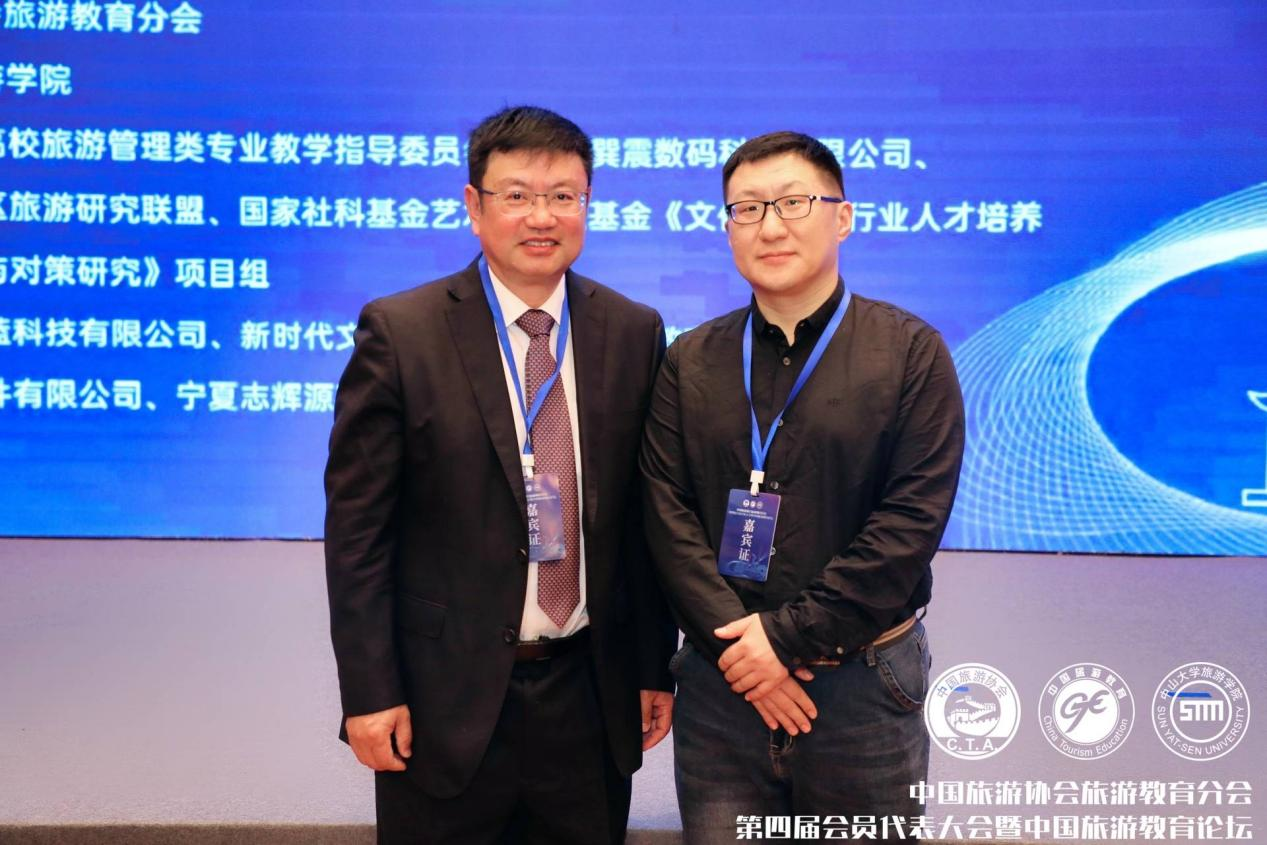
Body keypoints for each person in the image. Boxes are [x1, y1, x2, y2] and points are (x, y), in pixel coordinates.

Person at [324, 105, 676, 845]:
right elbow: (358, 534)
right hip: (442, 698)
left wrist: (652, 666)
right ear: (474, 205)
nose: (541, 217)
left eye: (562, 196)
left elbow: (642, 521)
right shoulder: (402, 331)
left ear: (586, 204)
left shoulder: (632, 330)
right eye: (517, 195)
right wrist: (369, 691)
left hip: (588, 694)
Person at [640, 131, 964, 842]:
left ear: (841, 217)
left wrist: (780, 642)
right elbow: (665, 514)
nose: (770, 226)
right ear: (728, 227)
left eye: (793, 202)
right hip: (722, 691)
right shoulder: (690, 360)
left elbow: (908, 525)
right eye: (747, 208)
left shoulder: (910, 353)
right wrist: (745, 654)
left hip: (863, 684)